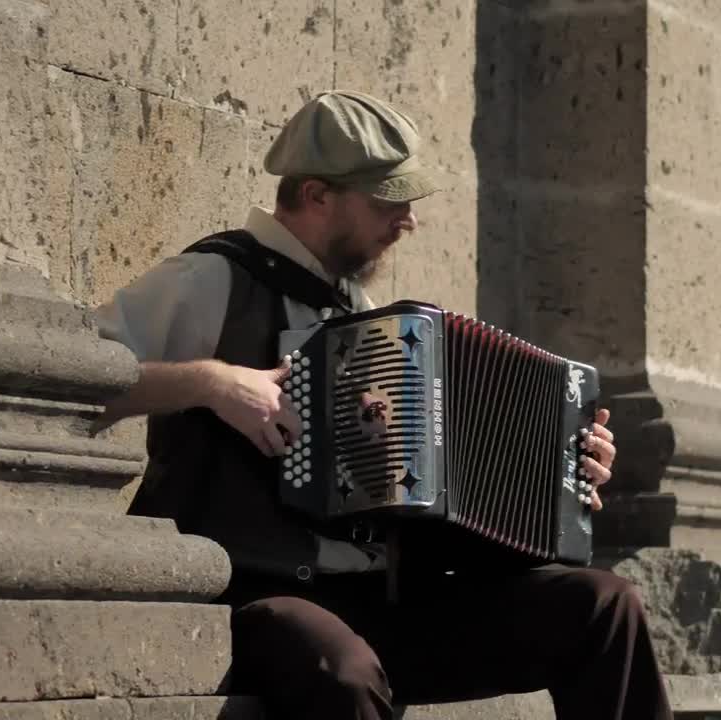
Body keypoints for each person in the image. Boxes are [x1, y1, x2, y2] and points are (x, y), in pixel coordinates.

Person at [93, 90, 673, 720]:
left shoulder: (369, 323)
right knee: (345, 675)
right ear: (317, 195)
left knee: (604, 607)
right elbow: (75, 383)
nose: (409, 220)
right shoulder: (211, 281)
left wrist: (564, 469)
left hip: (387, 598)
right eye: (388, 202)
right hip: (261, 594)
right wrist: (213, 383)